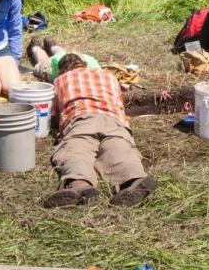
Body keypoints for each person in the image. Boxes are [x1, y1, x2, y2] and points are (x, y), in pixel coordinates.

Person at [44, 53, 157, 208]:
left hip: (81, 120)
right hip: (113, 121)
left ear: (62, 70)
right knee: (119, 148)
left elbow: (55, 116)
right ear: (84, 64)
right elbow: (119, 105)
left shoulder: (60, 80)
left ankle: (80, 185)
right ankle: (135, 179)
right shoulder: (109, 76)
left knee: (77, 150)